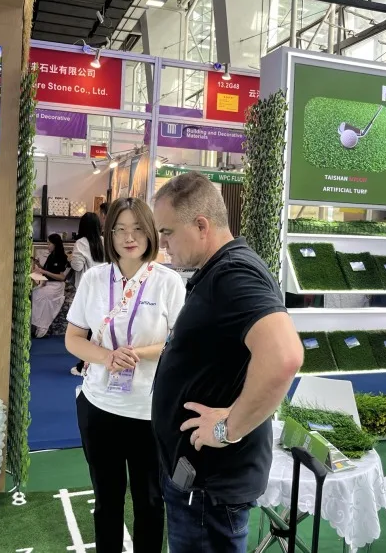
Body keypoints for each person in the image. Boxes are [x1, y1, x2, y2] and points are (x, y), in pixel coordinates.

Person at [152, 172, 303, 553]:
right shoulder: (219, 271)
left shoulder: (233, 274)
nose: (162, 244)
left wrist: (227, 429)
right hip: (199, 481)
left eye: (167, 232)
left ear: (201, 226)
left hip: (210, 489)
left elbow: (285, 356)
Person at [65, 197, 185, 553]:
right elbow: (73, 339)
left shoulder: (168, 282)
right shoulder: (94, 279)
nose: (129, 237)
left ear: (150, 232)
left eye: (137, 229)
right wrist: (107, 357)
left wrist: (138, 354)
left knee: (150, 500)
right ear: (109, 234)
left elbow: (178, 344)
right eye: (119, 229)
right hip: (99, 406)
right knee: (107, 500)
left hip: (150, 411)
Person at [69, 212, 105, 376]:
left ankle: (83, 366)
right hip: (105, 289)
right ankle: (96, 364)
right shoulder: (105, 241)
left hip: (87, 290)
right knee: (98, 328)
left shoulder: (81, 243)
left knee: (83, 330)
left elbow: (77, 266)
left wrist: (71, 258)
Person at [32, 234, 70, 338]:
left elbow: (61, 277)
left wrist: (44, 271)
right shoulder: (51, 256)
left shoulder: (62, 257)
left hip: (56, 286)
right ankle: (37, 325)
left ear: (55, 244)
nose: (47, 246)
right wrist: (38, 264)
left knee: (39, 296)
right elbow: (46, 271)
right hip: (48, 284)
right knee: (34, 293)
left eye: (49, 243)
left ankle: (42, 327)